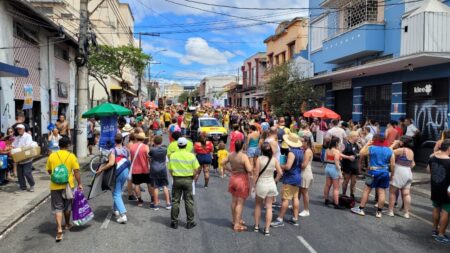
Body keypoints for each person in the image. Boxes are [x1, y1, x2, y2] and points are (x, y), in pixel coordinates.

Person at [46, 137, 82, 242]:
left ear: (59, 145)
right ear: (68, 145)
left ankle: (59, 229)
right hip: (68, 185)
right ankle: (67, 224)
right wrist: (79, 183)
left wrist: (57, 177)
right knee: (67, 207)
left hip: (54, 186)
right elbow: (76, 171)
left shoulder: (52, 155)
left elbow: (49, 170)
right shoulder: (71, 156)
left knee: (58, 208)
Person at [351, 134, 395, 218]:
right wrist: (392, 174)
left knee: (367, 190)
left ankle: (361, 209)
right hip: (384, 172)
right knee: (381, 192)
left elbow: (361, 153)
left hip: (373, 171)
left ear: (376, 139)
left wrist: (367, 143)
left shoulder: (372, 148)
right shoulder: (389, 150)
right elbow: (392, 164)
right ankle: (379, 212)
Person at [271, 133, 303, 227]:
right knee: (295, 198)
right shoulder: (301, 151)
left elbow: (288, 166)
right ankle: (295, 218)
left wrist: (281, 166)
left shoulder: (291, 152)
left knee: (285, 199)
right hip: (297, 176)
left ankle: (280, 219)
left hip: (290, 177)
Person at [96, 134, 130, 223]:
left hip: (117, 172)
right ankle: (116, 210)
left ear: (114, 141)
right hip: (125, 171)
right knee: (118, 190)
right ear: (122, 140)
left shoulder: (112, 150)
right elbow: (129, 161)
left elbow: (111, 163)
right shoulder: (126, 150)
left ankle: (123, 215)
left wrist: (101, 169)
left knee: (116, 193)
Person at [168, 137, 200, 229]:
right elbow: (196, 168)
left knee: (175, 201)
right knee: (189, 201)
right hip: (188, 179)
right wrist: (193, 177)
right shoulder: (191, 155)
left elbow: (170, 169)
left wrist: (174, 177)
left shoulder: (173, 155)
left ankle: (174, 222)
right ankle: (190, 222)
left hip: (177, 179)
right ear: (186, 145)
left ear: (178, 145)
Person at [222, 140, 253, 232]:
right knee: (240, 203)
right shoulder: (244, 156)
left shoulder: (231, 154)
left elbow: (222, 162)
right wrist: (251, 164)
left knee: (234, 201)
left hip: (233, 178)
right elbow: (249, 169)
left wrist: (228, 169)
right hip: (242, 180)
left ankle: (235, 220)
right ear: (243, 146)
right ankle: (237, 224)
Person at [253, 142, 282, 236]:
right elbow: (280, 173)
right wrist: (275, 180)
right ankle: (267, 229)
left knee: (258, 205)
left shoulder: (259, 159)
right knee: (269, 207)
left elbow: (256, 174)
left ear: (262, 150)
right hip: (271, 184)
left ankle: (256, 226)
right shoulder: (274, 160)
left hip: (261, 184)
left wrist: (253, 185)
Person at [427, 139, 450, 244]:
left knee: (436, 209)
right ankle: (441, 235)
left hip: (435, 187)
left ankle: (435, 230)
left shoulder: (432, 158)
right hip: (447, 191)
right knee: (445, 212)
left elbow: (428, 170)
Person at [388, 136, 415, 219]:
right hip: (408, 172)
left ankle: (391, 211)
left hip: (400, 171)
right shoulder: (411, 151)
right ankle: (406, 213)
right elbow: (413, 164)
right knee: (406, 193)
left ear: (403, 142)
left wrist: (394, 144)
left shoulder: (402, 150)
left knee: (392, 192)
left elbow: (388, 151)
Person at [323, 137, 347, 209]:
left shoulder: (327, 149)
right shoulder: (336, 151)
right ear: (336, 143)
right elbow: (336, 162)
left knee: (327, 185)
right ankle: (336, 204)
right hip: (334, 168)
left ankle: (326, 200)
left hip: (327, 167)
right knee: (336, 188)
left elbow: (325, 159)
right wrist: (340, 173)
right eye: (339, 142)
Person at [149, 135, 171, 210]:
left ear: (154, 142)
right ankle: (168, 203)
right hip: (163, 169)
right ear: (161, 142)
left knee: (155, 187)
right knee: (165, 186)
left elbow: (149, 157)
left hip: (154, 169)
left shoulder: (152, 150)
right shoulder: (165, 149)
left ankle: (156, 205)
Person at [129, 132, 151, 207]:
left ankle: (139, 200)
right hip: (145, 168)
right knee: (149, 184)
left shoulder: (132, 147)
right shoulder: (146, 146)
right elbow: (149, 157)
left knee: (136, 184)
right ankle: (153, 198)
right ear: (143, 139)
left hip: (135, 169)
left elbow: (130, 158)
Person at [12, 124, 35, 192]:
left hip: (27, 158)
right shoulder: (17, 137)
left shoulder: (28, 136)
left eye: (20, 129)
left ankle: (32, 185)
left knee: (27, 173)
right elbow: (14, 145)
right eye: (18, 129)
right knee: (20, 174)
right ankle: (23, 187)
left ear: (23, 129)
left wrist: (18, 149)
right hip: (19, 158)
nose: (19, 130)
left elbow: (27, 146)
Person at [341, 131, 360, 198]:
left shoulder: (356, 145)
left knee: (353, 182)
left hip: (354, 165)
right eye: (357, 136)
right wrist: (348, 157)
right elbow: (340, 154)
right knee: (346, 180)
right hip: (347, 165)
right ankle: (343, 194)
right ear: (353, 136)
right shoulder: (345, 144)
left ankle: (352, 195)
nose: (358, 137)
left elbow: (358, 154)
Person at [299, 135, 314, 217]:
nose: (300, 142)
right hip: (303, 173)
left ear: (306, 142)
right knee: (299, 191)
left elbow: (304, 165)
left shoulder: (308, 151)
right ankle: (296, 204)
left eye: (302, 141)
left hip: (305, 173)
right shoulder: (304, 150)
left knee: (304, 192)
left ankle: (306, 210)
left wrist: (295, 164)